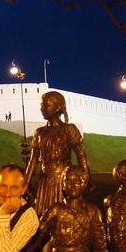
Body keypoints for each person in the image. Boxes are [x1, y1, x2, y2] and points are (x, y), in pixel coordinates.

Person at [24, 91, 89, 221]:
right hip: (45, 180)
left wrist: (86, 177)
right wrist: (26, 182)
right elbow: (33, 160)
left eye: (45, 105)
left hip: (63, 181)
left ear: (58, 107)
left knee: (64, 215)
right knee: (43, 215)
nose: (42, 109)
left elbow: (81, 155)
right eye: (42, 106)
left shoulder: (68, 129)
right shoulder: (40, 132)